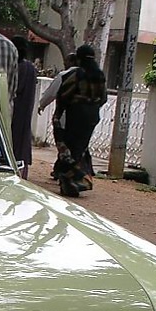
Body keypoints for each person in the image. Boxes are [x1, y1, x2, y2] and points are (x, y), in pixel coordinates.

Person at [52, 44, 108, 198]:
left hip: (76, 115)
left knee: (69, 147)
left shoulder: (78, 74)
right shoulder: (100, 75)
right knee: (81, 148)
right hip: (92, 117)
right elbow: (103, 98)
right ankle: (78, 180)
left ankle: (70, 181)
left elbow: (64, 94)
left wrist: (60, 112)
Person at [10, 36, 37, 180]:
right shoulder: (31, 68)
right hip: (25, 114)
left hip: (12, 112)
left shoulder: (13, 67)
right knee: (21, 148)